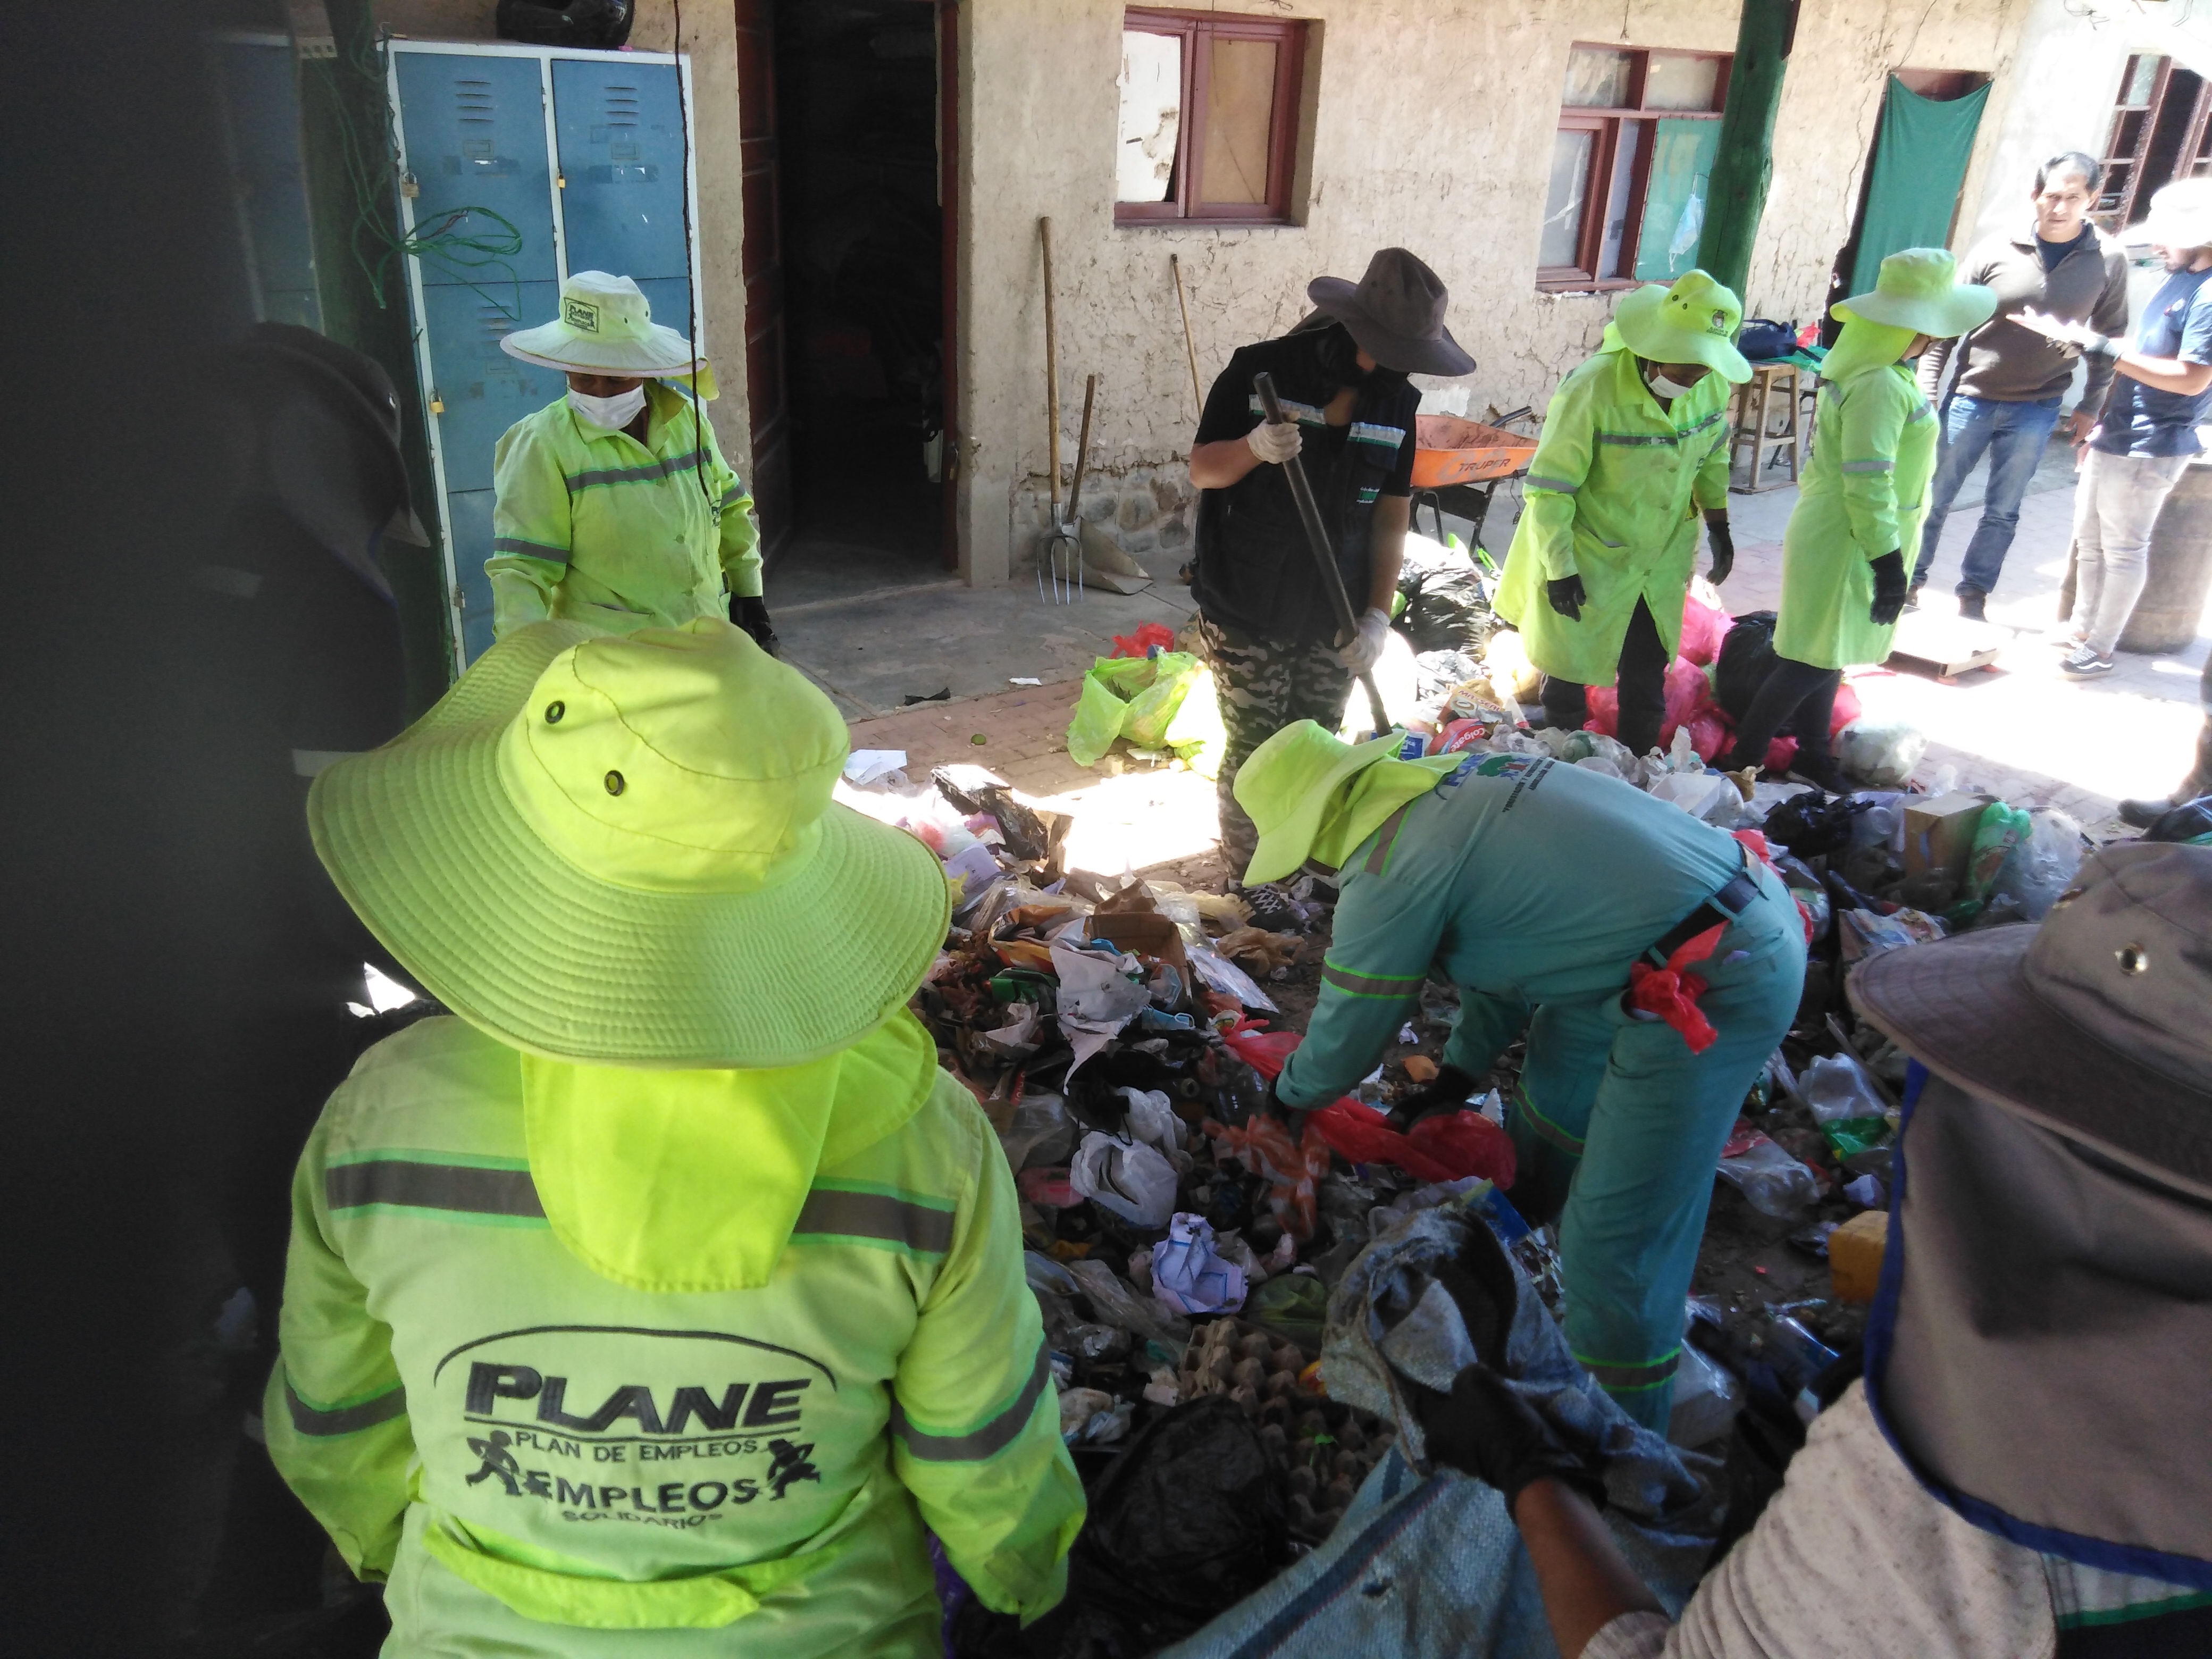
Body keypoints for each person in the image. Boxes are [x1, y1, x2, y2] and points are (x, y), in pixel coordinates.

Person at [265, 619, 1083, 1655]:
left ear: (501, 850)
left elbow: (338, 1432)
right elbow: (984, 1463)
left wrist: (415, 1558)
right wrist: (1027, 1583)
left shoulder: (380, 1122)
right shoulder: (925, 1142)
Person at [1414, 839, 2212, 1658]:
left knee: (1613, 1244)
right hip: (1744, 943)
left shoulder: (1961, 1477)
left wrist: (1534, 1475)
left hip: (1715, 976)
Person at [1230, 720, 1805, 1431]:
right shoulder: (1456, 787)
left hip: (1713, 979)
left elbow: (1352, 1031)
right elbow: (1510, 956)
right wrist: (1455, 1077)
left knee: (1615, 1247)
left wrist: (1287, 1096)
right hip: (1683, 933)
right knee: (1552, 1092)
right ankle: (1531, 1247)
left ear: (1313, 831)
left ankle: (1622, 1440)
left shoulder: (1387, 866)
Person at [1188, 248, 1473, 904]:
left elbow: (1391, 515)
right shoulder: (1260, 371)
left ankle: (1301, 862)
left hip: (1335, 606)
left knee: (1315, 744)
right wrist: (1253, 448)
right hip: (1247, 598)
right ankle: (1251, 878)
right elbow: (1203, 469)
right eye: (1393, 350)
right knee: (1257, 748)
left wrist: (1377, 615)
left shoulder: (1397, 401)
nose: (1401, 365)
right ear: (1355, 328)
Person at [1722, 250, 1995, 784]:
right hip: (1850, 537)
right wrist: (1886, 562)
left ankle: (1811, 755)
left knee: (1828, 652)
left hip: (1850, 532)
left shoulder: (1882, 374)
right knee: (1808, 660)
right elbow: (1868, 483)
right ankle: (1741, 762)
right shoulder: (1878, 385)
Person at [1493, 271, 1749, 758]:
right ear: (1654, 348)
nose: (1694, 380)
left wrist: (1719, 523)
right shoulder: (1592, 388)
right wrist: (1560, 568)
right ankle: (1561, 762)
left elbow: (1712, 458)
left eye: (1703, 370)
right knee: (1566, 671)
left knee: (1646, 673)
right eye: (1686, 369)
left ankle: (1636, 768)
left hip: (1659, 558)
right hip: (1589, 551)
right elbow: (1551, 489)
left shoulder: (1710, 387)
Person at [489, 271, 776, 651]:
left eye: (616, 380)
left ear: (643, 371)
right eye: (584, 378)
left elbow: (730, 509)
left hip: (708, 643)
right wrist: (522, 660)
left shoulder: (687, 423)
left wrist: (749, 595)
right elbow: (523, 570)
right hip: (611, 660)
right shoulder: (541, 444)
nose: (600, 391)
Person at [1908, 152, 2131, 620]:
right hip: (1970, 398)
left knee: (2003, 510)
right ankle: (1909, 583)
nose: (2060, 207)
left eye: (2073, 198)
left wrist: (2091, 406)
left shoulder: (2108, 259)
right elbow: (1944, 326)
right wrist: (1926, 392)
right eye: (2052, 196)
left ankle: (1974, 596)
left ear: (2092, 200)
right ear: (2035, 196)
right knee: (1932, 497)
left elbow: (2110, 339)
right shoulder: (1996, 249)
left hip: (2039, 406)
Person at [2016, 177, 2212, 680]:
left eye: (2168, 236)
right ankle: (2082, 629)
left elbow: (2193, 379)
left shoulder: (2209, 294)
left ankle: (2101, 648)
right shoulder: (2181, 278)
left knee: (2124, 549)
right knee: (2090, 541)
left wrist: (2102, 349)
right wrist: (2101, 417)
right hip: (2120, 430)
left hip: (2154, 442)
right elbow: (2142, 357)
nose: (2159, 246)